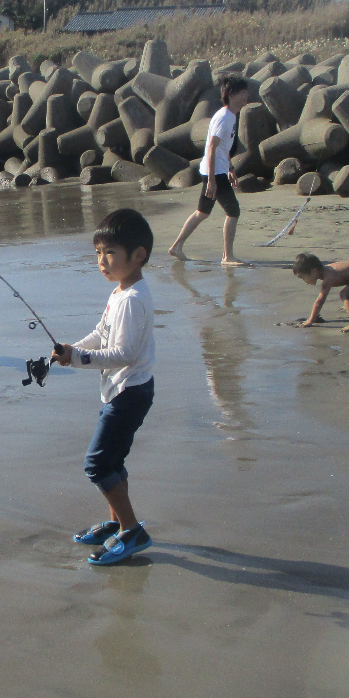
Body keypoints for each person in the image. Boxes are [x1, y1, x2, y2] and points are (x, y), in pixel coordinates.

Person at [52, 209, 156, 566]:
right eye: (98, 252)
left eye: (109, 252)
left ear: (138, 254)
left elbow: (125, 353)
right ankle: (117, 523)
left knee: (96, 464)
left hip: (130, 393)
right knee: (112, 460)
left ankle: (132, 531)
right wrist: (71, 350)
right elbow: (101, 334)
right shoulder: (120, 292)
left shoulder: (133, 300)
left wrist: (78, 359)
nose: (101, 260)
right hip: (123, 390)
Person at [168, 75, 250, 265]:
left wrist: (230, 167)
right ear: (231, 95)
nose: (246, 95)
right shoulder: (224, 117)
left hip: (216, 169)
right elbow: (212, 147)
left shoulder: (230, 115)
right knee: (233, 211)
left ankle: (176, 247)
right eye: (242, 92)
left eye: (246, 92)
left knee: (202, 212)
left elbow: (223, 147)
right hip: (215, 172)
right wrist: (212, 180)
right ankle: (228, 256)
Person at [292, 252, 349, 333]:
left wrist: (311, 320)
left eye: (303, 277)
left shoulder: (328, 279)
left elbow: (320, 301)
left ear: (313, 271)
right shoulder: (327, 270)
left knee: (344, 294)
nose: (304, 281)